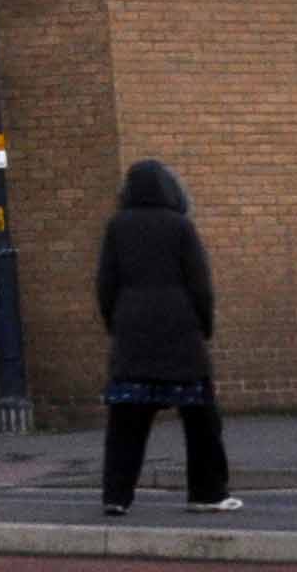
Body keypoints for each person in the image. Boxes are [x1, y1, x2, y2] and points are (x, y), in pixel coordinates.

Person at [93, 160, 237, 516]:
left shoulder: (117, 228)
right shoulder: (180, 227)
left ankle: (116, 496)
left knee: (126, 423)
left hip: (132, 335)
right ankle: (207, 493)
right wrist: (205, 326)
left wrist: (116, 323)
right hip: (180, 335)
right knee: (201, 421)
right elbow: (200, 284)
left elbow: (105, 285)